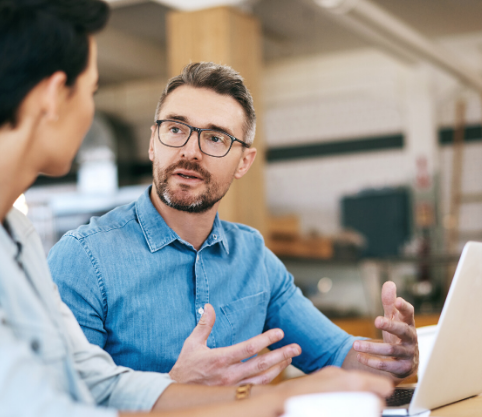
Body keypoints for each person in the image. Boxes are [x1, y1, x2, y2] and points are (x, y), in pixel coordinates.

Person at [0, 1, 395, 416]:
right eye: (92, 91)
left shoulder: (12, 229)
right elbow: (32, 408)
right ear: (54, 97)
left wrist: (268, 398)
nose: (90, 112)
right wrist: (263, 402)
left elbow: (97, 382)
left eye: (216, 138)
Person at [48, 62, 419, 386]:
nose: (190, 151)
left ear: (244, 162)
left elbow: (338, 356)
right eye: (176, 129)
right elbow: (58, 403)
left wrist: (391, 360)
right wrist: (173, 386)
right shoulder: (83, 259)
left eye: (215, 138)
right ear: (152, 142)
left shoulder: (253, 258)